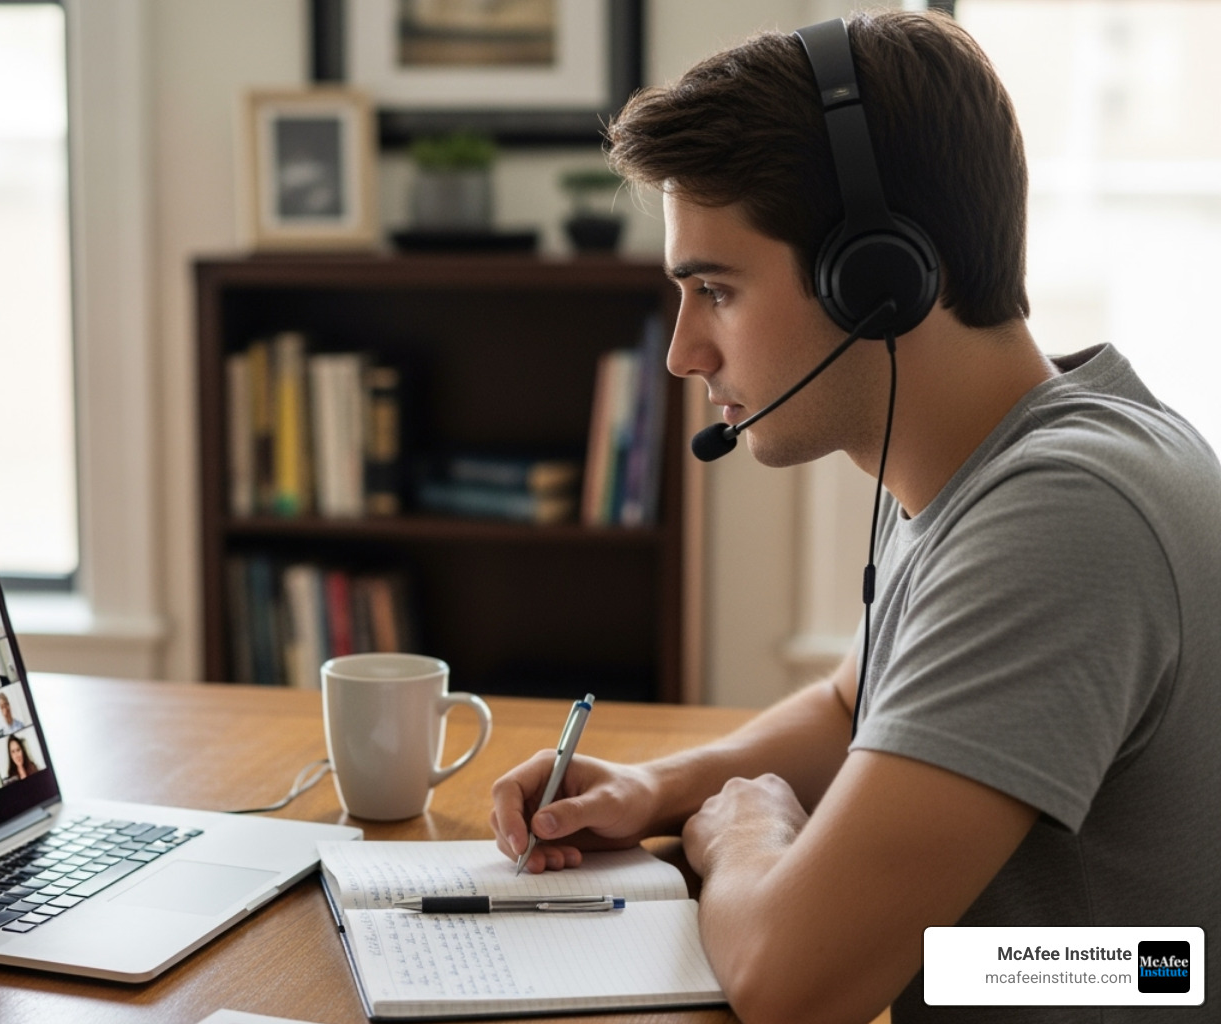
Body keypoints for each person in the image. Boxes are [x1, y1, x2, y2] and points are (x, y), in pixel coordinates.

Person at [488, 12, 1220, 1024]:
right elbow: (853, 707)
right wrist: (654, 788)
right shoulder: (1003, 459)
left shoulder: (1065, 519)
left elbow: (796, 982)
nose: (685, 352)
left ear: (881, 279)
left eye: (716, 290)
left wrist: (744, 830)